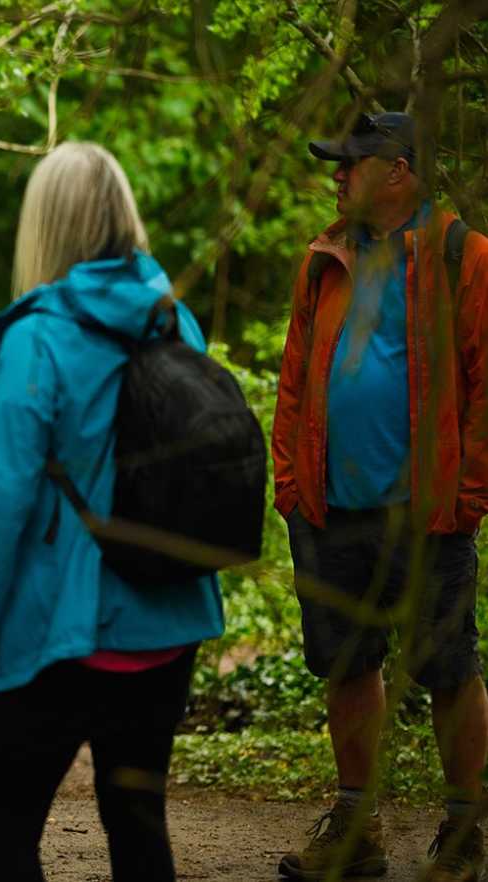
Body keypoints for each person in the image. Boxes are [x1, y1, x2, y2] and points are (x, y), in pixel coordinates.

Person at [0, 142, 224, 882]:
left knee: (1, 824)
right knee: (136, 821)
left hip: (65, 629)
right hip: (169, 619)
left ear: (47, 225)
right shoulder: (176, 321)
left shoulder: (35, 337)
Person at [272, 111, 488, 882]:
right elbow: (296, 375)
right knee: (346, 666)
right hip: (333, 510)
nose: (337, 176)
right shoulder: (323, 259)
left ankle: (463, 836)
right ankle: (356, 831)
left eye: (351, 164)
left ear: (398, 171)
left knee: (448, 668)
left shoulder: (464, 257)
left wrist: (468, 492)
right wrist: (291, 484)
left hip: (428, 513)